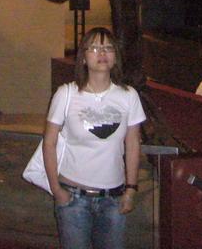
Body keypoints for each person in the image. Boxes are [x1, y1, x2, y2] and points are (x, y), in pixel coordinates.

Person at [43, 27, 145, 249]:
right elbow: (49, 142)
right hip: (73, 198)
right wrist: (56, 190)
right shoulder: (66, 94)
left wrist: (131, 189)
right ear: (83, 57)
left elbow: (133, 143)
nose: (102, 53)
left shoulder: (129, 96)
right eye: (95, 48)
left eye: (108, 48)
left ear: (115, 57)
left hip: (114, 199)